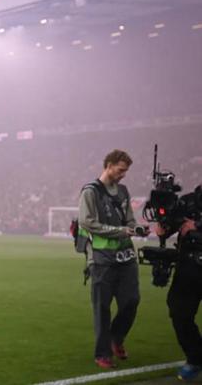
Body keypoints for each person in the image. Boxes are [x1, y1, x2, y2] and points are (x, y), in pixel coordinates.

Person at [78, 149, 146, 369]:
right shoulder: (90, 191)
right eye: (120, 170)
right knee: (102, 308)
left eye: (125, 171)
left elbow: (129, 219)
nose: (123, 175)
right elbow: (87, 222)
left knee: (131, 301)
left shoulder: (123, 191)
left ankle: (116, 338)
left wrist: (136, 228)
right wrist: (120, 231)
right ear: (109, 165)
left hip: (126, 257)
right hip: (102, 259)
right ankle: (102, 353)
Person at [157, 217, 202, 381]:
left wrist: (197, 225)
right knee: (179, 312)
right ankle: (195, 359)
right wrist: (164, 229)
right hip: (189, 265)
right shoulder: (190, 205)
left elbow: (192, 225)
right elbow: (175, 223)